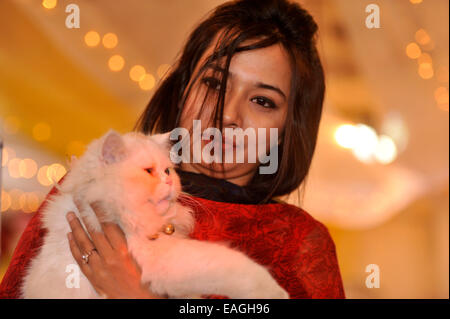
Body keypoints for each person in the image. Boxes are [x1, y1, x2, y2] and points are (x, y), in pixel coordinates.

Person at [0, 0, 345, 299]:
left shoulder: (297, 243)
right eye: (213, 82)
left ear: (286, 132)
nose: (227, 113)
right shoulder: (89, 186)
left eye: (261, 100)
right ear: (181, 90)